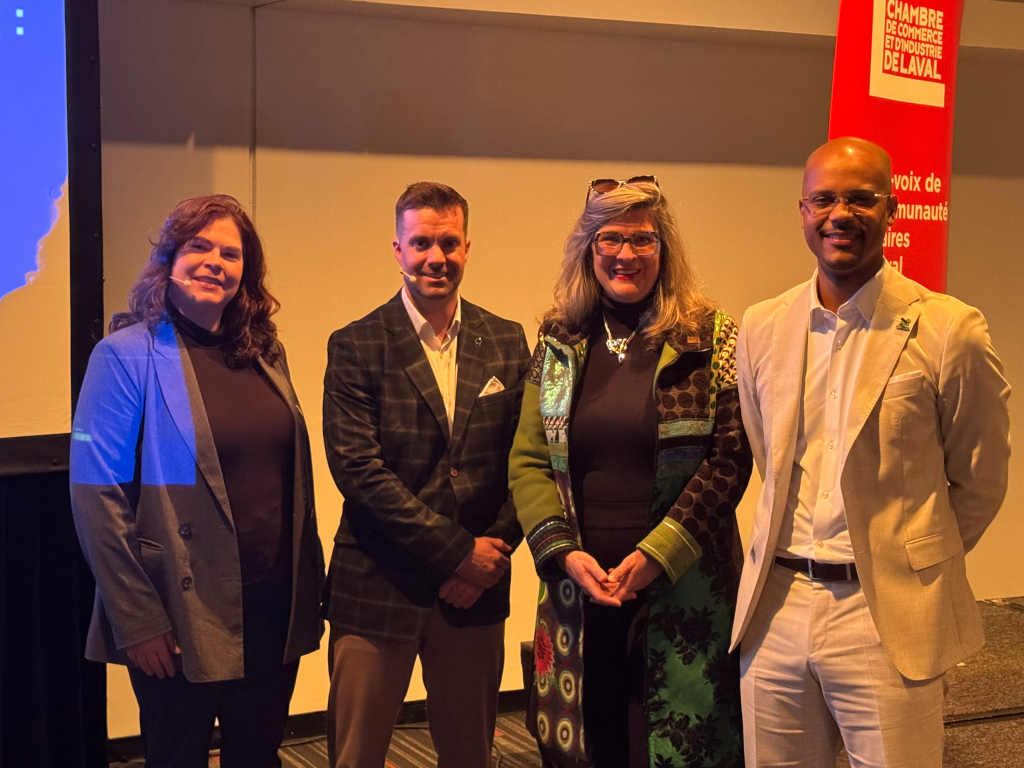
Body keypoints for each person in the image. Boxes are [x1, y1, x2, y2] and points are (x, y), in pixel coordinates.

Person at [731, 137, 1012, 768]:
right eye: (824, 199)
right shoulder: (761, 326)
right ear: (802, 210)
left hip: (884, 615)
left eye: (861, 199)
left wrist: (911, 560)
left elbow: (981, 477)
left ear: (891, 210)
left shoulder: (949, 329)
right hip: (776, 606)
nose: (840, 214)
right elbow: (766, 453)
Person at [70, 195, 325, 767]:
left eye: (230, 254)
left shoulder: (264, 353)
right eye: (199, 247)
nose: (215, 262)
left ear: (246, 272)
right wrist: (137, 619)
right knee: (177, 756)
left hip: (272, 605)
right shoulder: (125, 356)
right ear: (169, 259)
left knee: (257, 756)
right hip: (180, 614)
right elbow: (96, 495)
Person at [509, 177, 751, 768]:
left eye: (642, 239)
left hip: (685, 586)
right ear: (587, 250)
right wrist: (564, 553)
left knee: (676, 744)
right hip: (579, 590)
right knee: (594, 743)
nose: (625, 254)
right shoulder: (558, 338)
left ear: (665, 250)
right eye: (609, 238)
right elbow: (529, 458)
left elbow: (730, 459)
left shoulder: (712, 337)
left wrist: (654, 557)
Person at [321, 181, 531, 768]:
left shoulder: (508, 340)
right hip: (377, 585)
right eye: (421, 243)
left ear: (467, 246)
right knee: (355, 757)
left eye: (449, 242)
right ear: (397, 250)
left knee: (470, 757)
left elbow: (529, 460)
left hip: (476, 592)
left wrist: (487, 558)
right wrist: (456, 554)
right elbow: (358, 472)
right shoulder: (356, 344)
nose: (435, 257)